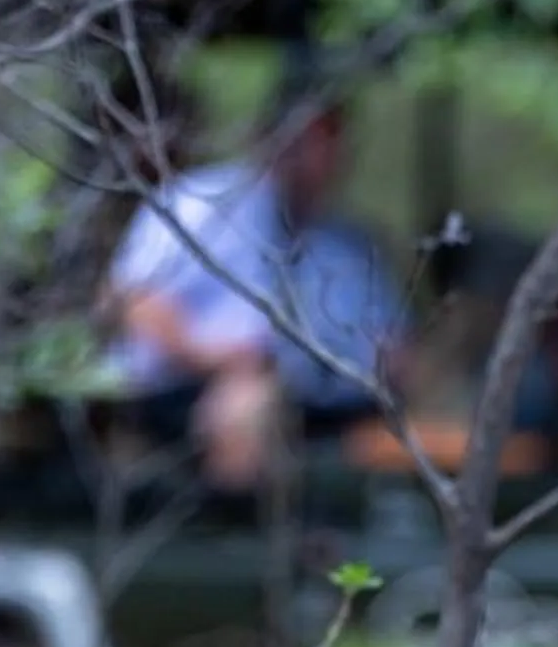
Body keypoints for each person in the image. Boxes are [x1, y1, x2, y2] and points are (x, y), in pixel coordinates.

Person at [100, 77, 407, 488]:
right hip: (190, 386)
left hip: (324, 402)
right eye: (304, 140)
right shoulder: (199, 204)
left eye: (328, 140)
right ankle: (236, 519)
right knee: (247, 401)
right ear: (268, 138)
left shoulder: (349, 244)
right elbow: (133, 297)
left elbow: (394, 347)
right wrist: (209, 356)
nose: (314, 156)